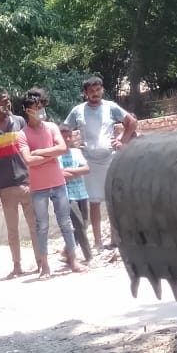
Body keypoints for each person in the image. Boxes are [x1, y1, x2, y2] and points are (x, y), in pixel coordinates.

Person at [60, 76, 138, 251]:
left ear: (102, 90)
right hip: (90, 161)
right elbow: (64, 129)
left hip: (110, 159)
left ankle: (116, 239)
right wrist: (72, 145)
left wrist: (122, 141)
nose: (95, 94)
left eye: (98, 90)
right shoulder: (78, 111)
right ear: (85, 93)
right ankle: (98, 242)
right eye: (91, 91)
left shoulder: (111, 107)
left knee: (113, 200)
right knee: (94, 202)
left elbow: (132, 122)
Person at [18, 88, 86, 278]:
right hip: (38, 187)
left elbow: (63, 148)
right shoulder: (22, 135)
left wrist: (40, 152)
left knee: (66, 222)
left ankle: (74, 260)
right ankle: (44, 266)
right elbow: (28, 161)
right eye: (36, 107)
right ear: (28, 110)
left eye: (42, 106)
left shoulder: (52, 127)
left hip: (58, 182)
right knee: (42, 226)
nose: (41, 110)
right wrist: (51, 153)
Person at [0, 87, 37, 279]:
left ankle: (41, 261)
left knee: (35, 225)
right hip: (5, 187)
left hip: (27, 182)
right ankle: (17, 266)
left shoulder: (19, 121)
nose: (8, 104)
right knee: (12, 230)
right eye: (4, 101)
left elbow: (30, 149)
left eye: (8, 100)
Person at [59, 132, 93, 264]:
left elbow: (87, 169)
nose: (67, 139)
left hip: (81, 193)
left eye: (69, 136)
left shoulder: (76, 152)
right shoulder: (56, 155)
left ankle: (67, 251)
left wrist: (69, 171)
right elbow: (60, 175)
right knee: (79, 225)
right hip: (67, 195)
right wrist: (77, 171)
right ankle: (88, 256)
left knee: (84, 224)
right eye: (64, 136)